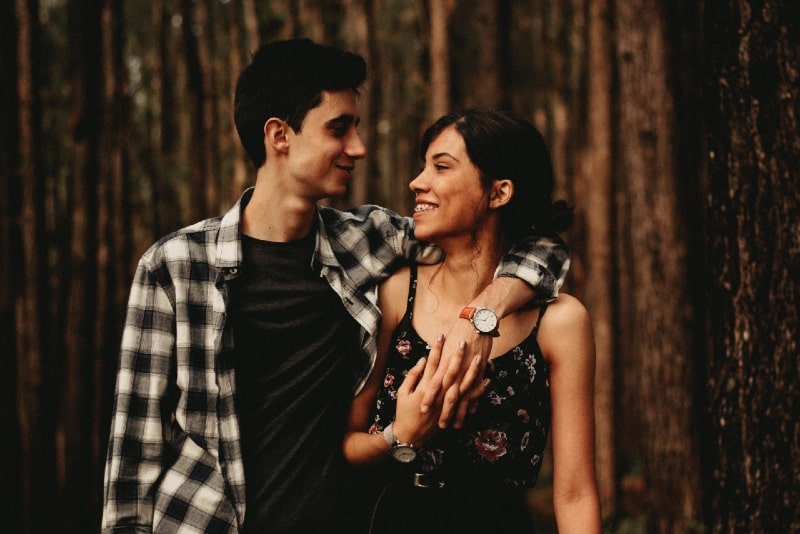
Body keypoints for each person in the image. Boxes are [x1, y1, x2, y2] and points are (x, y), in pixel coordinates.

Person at [101, 39, 570, 533]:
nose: (358, 148)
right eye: (338, 128)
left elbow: (536, 246)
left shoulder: (364, 244)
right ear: (279, 135)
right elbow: (134, 456)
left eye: (357, 128)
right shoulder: (175, 267)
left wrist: (484, 316)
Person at [343, 109, 601, 533]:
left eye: (441, 167)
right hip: (390, 519)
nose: (417, 181)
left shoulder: (560, 322)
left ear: (499, 193)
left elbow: (575, 492)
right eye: (423, 165)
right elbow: (348, 444)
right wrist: (400, 434)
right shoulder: (395, 293)